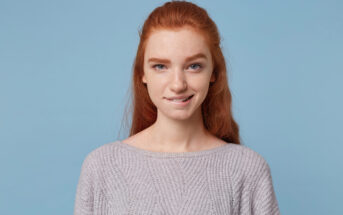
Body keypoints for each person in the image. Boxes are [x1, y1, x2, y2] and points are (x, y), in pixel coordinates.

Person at [74, 1, 281, 214]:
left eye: (194, 66)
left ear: (213, 73)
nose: (177, 84)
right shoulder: (102, 168)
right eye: (160, 66)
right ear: (142, 74)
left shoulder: (247, 170)